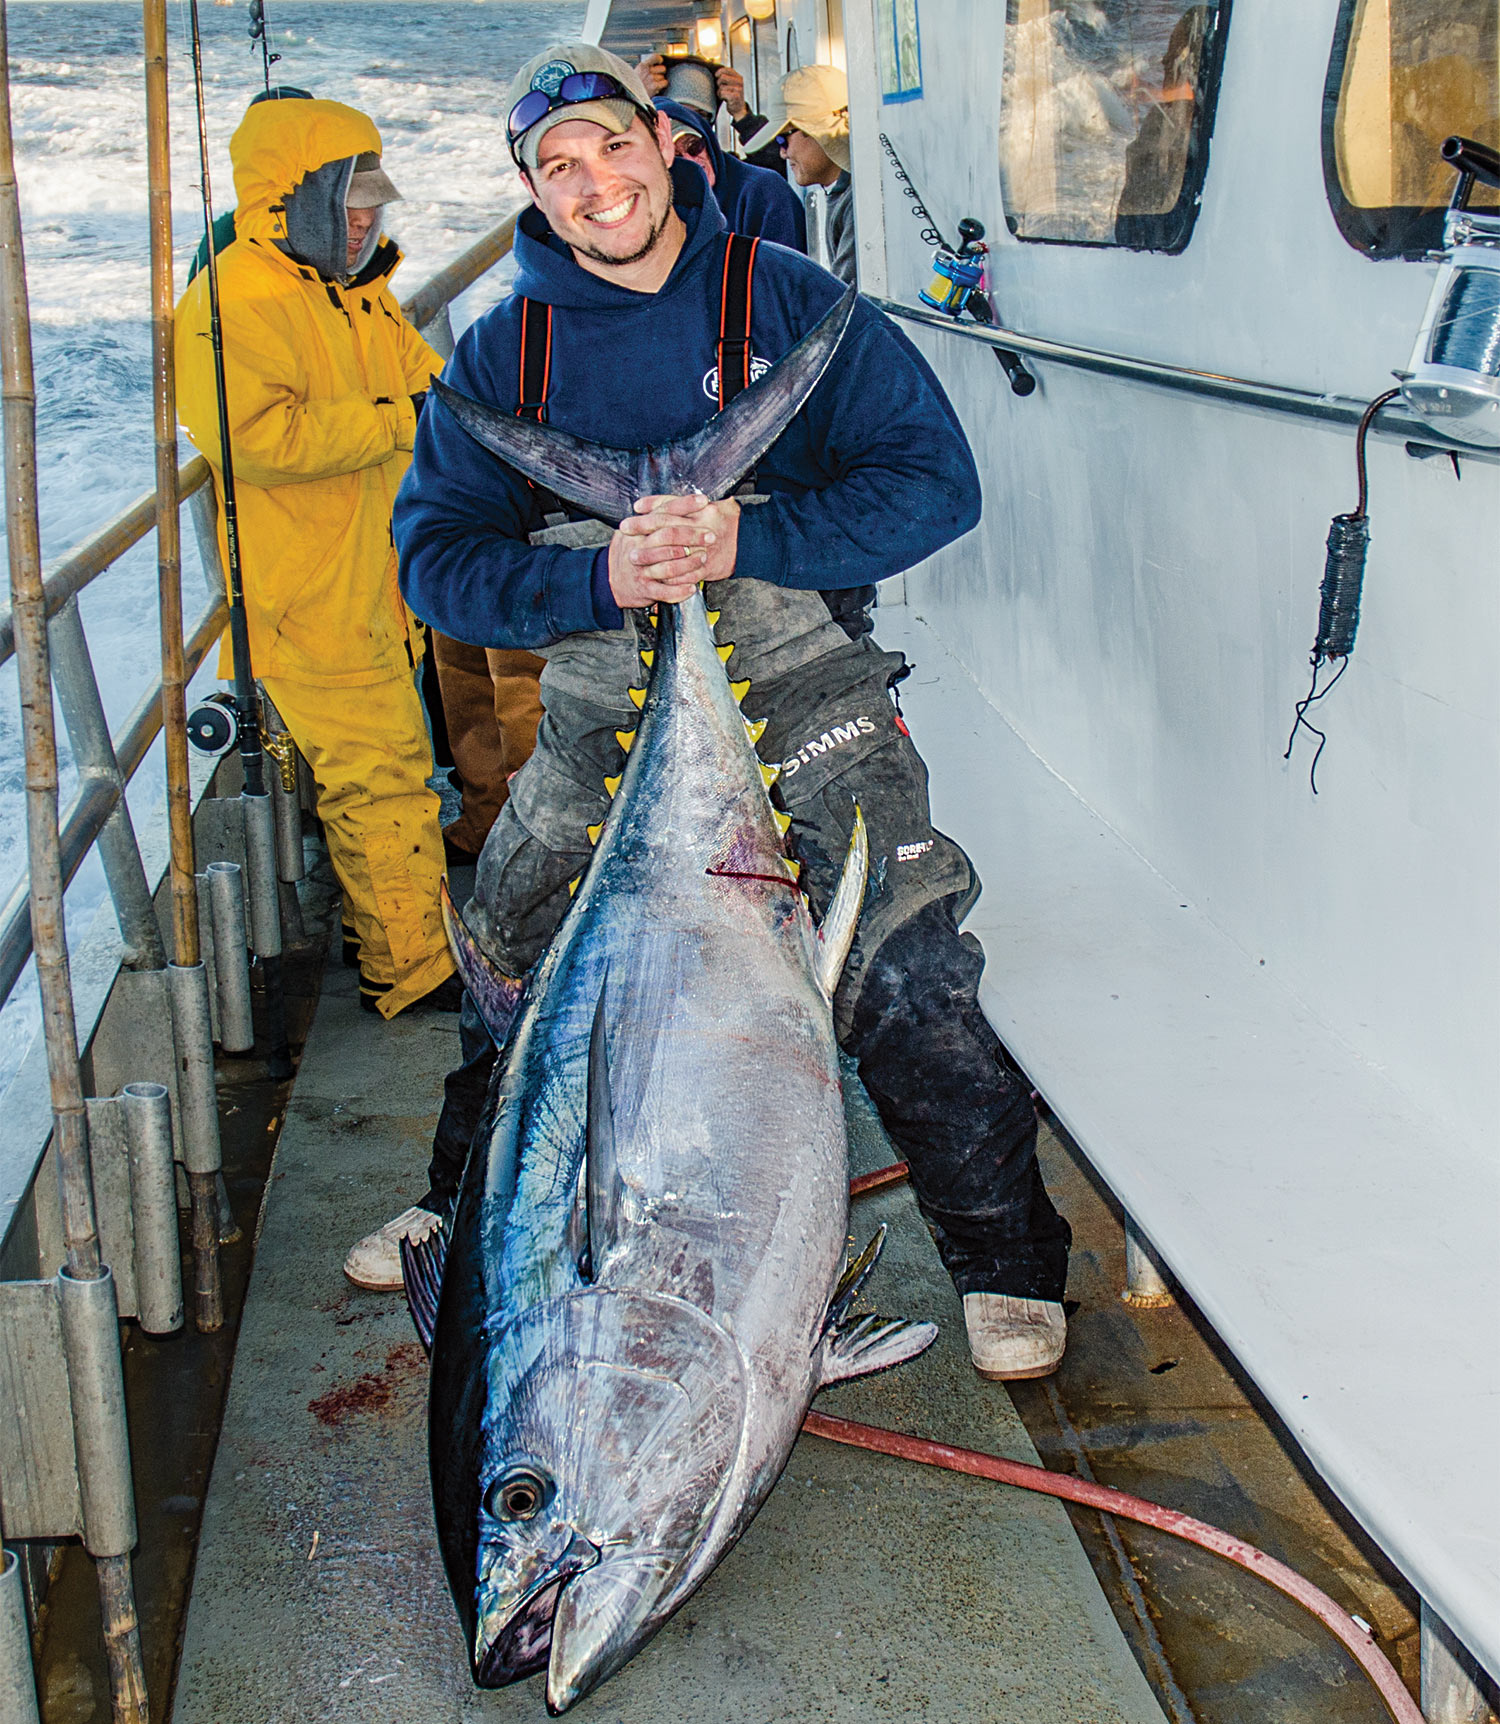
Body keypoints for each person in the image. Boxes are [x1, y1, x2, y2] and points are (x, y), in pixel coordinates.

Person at [378, 43, 1075, 1378]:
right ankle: (460, 1207)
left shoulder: (794, 302)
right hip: (600, 695)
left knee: (907, 958)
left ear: (665, 143)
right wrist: (600, 570)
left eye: (611, 149)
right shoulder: (498, 357)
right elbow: (438, 561)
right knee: (513, 941)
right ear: (531, 187)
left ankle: (1004, 1256)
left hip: (802, 680)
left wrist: (739, 543)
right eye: (558, 169)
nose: (595, 187)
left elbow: (934, 487)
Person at [175, 98, 460, 1019]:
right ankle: (414, 971)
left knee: (387, 766)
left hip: (373, 575)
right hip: (309, 593)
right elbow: (252, 436)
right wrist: (397, 423)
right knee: (383, 776)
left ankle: (378, 928)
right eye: (351, 204)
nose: (369, 221)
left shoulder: (355, 294)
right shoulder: (233, 299)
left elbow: (432, 385)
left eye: (375, 204)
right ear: (297, 200)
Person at [743, 64, 855, 283]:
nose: (783, 153)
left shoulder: (856, 203)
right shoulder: (842, 194)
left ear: (818, 130)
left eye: (783, 138)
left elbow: (847, 304)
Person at [659, 97, 806, 252]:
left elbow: (786, 271)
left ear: (709, 143)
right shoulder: (662, 214)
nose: (692, 161)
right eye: (677, 158)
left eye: (694, 146)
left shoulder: (764, 190)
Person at [637, 52, 787, 174]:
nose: (689, 123)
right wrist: (633, 99)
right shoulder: (646, 175)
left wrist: (742, 115)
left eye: (700, 115)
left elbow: (778, 165)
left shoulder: (728, 174)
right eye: (678, 114)